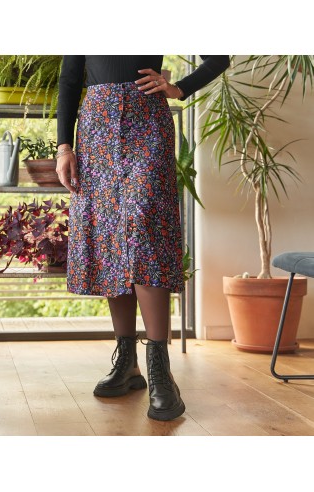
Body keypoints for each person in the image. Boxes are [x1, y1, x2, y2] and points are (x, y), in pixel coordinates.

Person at [56, 55, 230, 421]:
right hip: (96, 127)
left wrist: (179, 87)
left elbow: (219, 56)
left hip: (147, 121)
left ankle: (160, 370)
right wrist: (63, 147)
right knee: (110, 238)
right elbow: (70, 80)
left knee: (146, 232)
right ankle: (127, 363)